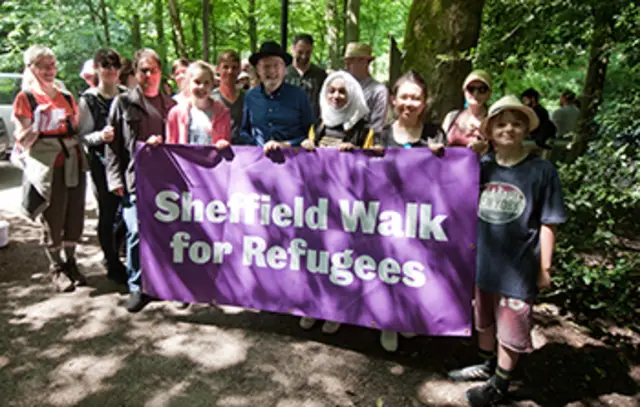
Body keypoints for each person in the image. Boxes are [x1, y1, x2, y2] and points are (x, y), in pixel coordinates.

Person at [447, 95, 567, 407]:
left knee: (512, 324)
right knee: (484, 318)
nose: (508, 129)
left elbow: (549, 222)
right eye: (500, 123)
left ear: (527, 128)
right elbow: (450, 191)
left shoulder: (542, 171)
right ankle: (487, 364)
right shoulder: (482, 168)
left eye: (516, 123)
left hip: (519, 266)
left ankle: (500, 383)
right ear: (489, 130)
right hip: (484, 260)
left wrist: (545, 268)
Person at [105, 48, 177, 312]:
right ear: (135, 73)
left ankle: (162, 281)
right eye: (143, 70)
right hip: (134, 180)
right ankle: (137, 286)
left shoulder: (172, 105)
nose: (149, 75)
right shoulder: (123, 103)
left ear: (161, 72)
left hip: (166, 183)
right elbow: (112, 147)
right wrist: (114, 178)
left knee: (164, 232)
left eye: (153, 70)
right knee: (135, 232)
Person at [12, 45, 88, 292]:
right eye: (43, 66)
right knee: (53, 217)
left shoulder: (66, 96)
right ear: (31, 68)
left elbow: (76, 128)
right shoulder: (26, 98)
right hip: (47, 165)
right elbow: (22, 141)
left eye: (52, 65)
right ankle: (56, 267)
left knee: (74, 213)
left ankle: (71, 262)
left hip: (72, 161)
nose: (49, 70)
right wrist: (37, 120)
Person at [77, 48, 128, 285]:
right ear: (97, 69)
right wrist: (100, 136)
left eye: (114, 66)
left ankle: (116, 251)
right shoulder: (88, 100)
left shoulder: (127, 95)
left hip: (126, 161)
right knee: (108, 211)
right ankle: (112, 261)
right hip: (101, 162)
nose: (110, 70)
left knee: (126, 210)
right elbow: (82, 137)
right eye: (106, 66)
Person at [239, 41, 315, 151]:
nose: (271, 70)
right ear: (258, 70)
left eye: (276, 65)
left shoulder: (299, 95)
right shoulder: (250, 97)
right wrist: (257, 146)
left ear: (284, 69)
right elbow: (244, 131)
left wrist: (286, 144)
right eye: (266, 66)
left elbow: (309, 132)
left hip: (292, 159)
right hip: (259, 160)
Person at [166, 60, 231, 148]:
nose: (202, 87)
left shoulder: (222, 113)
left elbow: (226, 143)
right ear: (188, 83)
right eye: (197, 82)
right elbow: (170, 147)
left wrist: (223, 144)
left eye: (206, 83)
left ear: (212, 84)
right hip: (185, 161)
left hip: (212, 161)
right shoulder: (176, 113)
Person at [344, 42, 388, 137]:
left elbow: (377, 126)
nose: (346, 66)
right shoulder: (340, 88)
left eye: (351, 61)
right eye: (346, 61)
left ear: (363, 61)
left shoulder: (378, 90)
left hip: (363, 145)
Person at [442, 70, 492, 148]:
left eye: (482, 89)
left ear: (489, 93)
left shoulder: (494, 119)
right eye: (471, 89)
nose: (476, 94)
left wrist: (485, 147)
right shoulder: (452, 117)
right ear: (464, 91)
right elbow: (441, 144)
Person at [285, 34, 328, 119]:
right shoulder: (283, 74)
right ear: (292, 49)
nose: (304, 56)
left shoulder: (320, 74)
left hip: (313, 126)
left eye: (308, 52)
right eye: (300, 52)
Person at [211, 50, 245, 144]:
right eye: (225, 67)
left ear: (239, 70)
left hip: (243, 151)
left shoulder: (246, 99)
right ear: (218, 69)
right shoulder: (211, 99)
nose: (230, 71)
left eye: (234, 68)